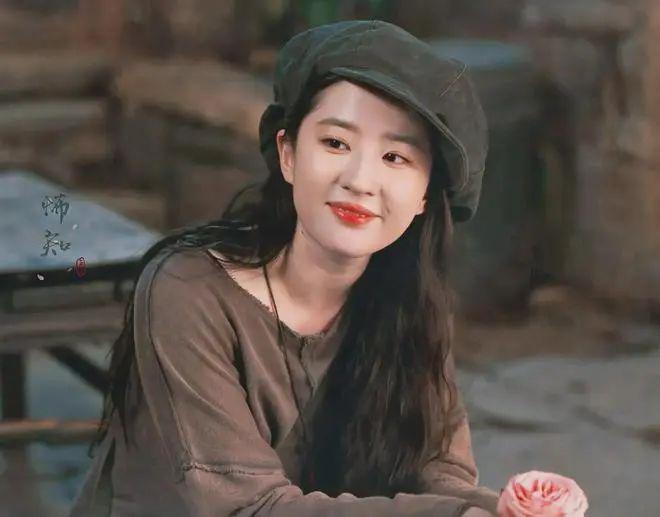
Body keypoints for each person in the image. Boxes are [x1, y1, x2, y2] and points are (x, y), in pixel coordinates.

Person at [71, 19, 497, 517]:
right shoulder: (187, 292)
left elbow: (439, 472)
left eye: (395, 156)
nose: (360, 180)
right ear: (288, 154)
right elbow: (249, 508)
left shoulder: (409, 305)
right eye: (336, 143)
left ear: (425, 195)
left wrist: (509, 508)